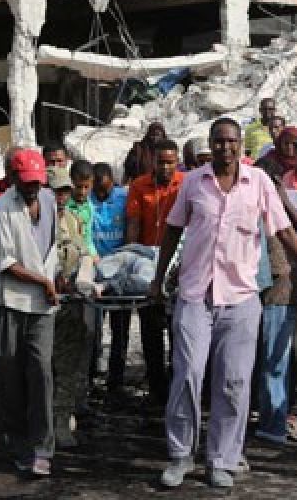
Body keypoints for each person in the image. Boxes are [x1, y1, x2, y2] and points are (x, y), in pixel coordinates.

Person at [152, 118, 297, 489]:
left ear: (241, 145)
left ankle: (222, 460)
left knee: (233, 382)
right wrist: (157, 278)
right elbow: (173, 230)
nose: (225, 148)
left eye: (231, 142)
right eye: (218, 142)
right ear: (210, 145)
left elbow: (284, 231)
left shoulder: (258, 182)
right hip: (195, 294)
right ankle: (181, 455)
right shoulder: (194, 182)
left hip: (241, 298)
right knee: (187, 375)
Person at [0, 149, 61, 477]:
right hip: (6, 302)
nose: (33, 188)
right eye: (26, 183)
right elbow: (5, 263)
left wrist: (54, 278)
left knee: (41, 371)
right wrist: (44, 281)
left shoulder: (50, 201)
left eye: (37, 183)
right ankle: (15, 443)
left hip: (41, 303)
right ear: (12, 179)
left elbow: (51, 246)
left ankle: (43, 446)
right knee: (8, 376)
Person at [254, 183, 297, 444]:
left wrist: (286, 205)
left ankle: (276, 422)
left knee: (280, 359)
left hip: (285, 288)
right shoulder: (251, 204)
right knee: (268, 359)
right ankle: (269, 418)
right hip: (264, 289)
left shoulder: (295, 202)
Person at [125, 137, 184, 407]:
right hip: (148, 265)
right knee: (150, 331)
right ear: (153, 163)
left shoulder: (186, 185)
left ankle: (177, 385)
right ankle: (157, 390)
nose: (166, 168)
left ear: (177, 162)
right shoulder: (138, 186)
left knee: (178, 330)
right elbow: (134, 225)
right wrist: (130, 256)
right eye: (161, 162)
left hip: (178, 265)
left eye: (170, 163)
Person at [47, 166, 96, 448]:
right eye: (56, 191)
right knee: (43, 367)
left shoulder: (75, 221)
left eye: (65, 191)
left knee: (67, 366)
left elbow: (84, 255)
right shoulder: (34, 220)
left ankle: (61, 421)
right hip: (42, 304)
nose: (62, 197)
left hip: (70, 305)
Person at [88, 161, 130, 397]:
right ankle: (91, 376)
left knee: (120, 328)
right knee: (92, 328)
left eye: (106, 190)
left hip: (119, 271)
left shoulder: (123, 198)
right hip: (95, 272)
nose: (102, 195)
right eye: (99, 191)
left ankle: (117, 379)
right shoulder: (87, 200)